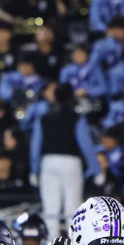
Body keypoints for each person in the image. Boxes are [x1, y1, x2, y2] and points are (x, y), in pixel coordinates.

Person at [30, 84, 99, 237]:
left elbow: (36, 146)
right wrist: (96, 170)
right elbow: (86, 145)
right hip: (71, 162)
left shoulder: (44, 118)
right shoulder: (77, 119)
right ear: (71, 97)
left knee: (51, 209)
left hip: (48, 163)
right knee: (72, 208)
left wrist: (34, 170)